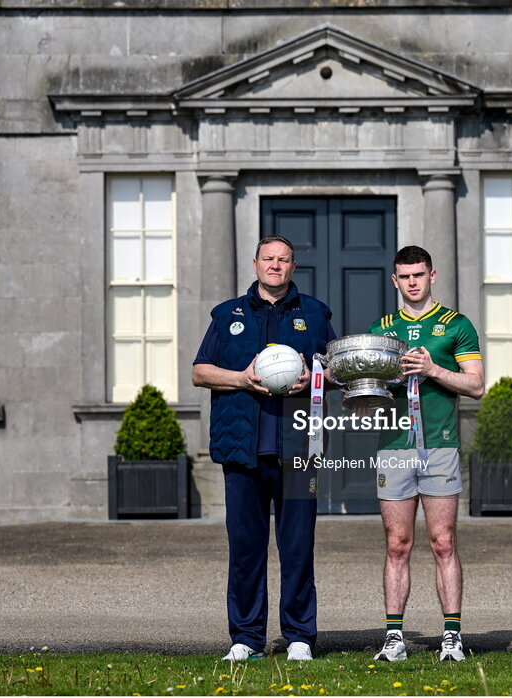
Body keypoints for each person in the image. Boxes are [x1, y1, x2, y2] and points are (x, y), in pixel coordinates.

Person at [192, 235, 336, 662]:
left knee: (297, 547)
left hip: (299, 450)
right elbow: (200, 372)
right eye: (268, 259)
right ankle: (246, 638)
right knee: (246, 548)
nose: (276, 266)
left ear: (293, 267)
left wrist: (312, 376)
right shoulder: (227, 315)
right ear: (255, 264)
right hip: (243, 451)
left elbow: (338, 371)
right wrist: (242, 378)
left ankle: (298, 637)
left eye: (284, 260)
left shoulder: (314, 313)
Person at [366, 245, 484, 662]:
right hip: (393, 447)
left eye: (419, 274)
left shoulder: (456, 325)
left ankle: (452, 637)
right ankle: (394, 639)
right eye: (405, 276)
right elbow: (367, 397)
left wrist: (433, 370)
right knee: (397, 543)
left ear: (432, 275)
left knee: (443, 542)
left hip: (439, 445)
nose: (412, 282)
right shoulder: (380, 328)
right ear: (394, 280)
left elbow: (476, 385)